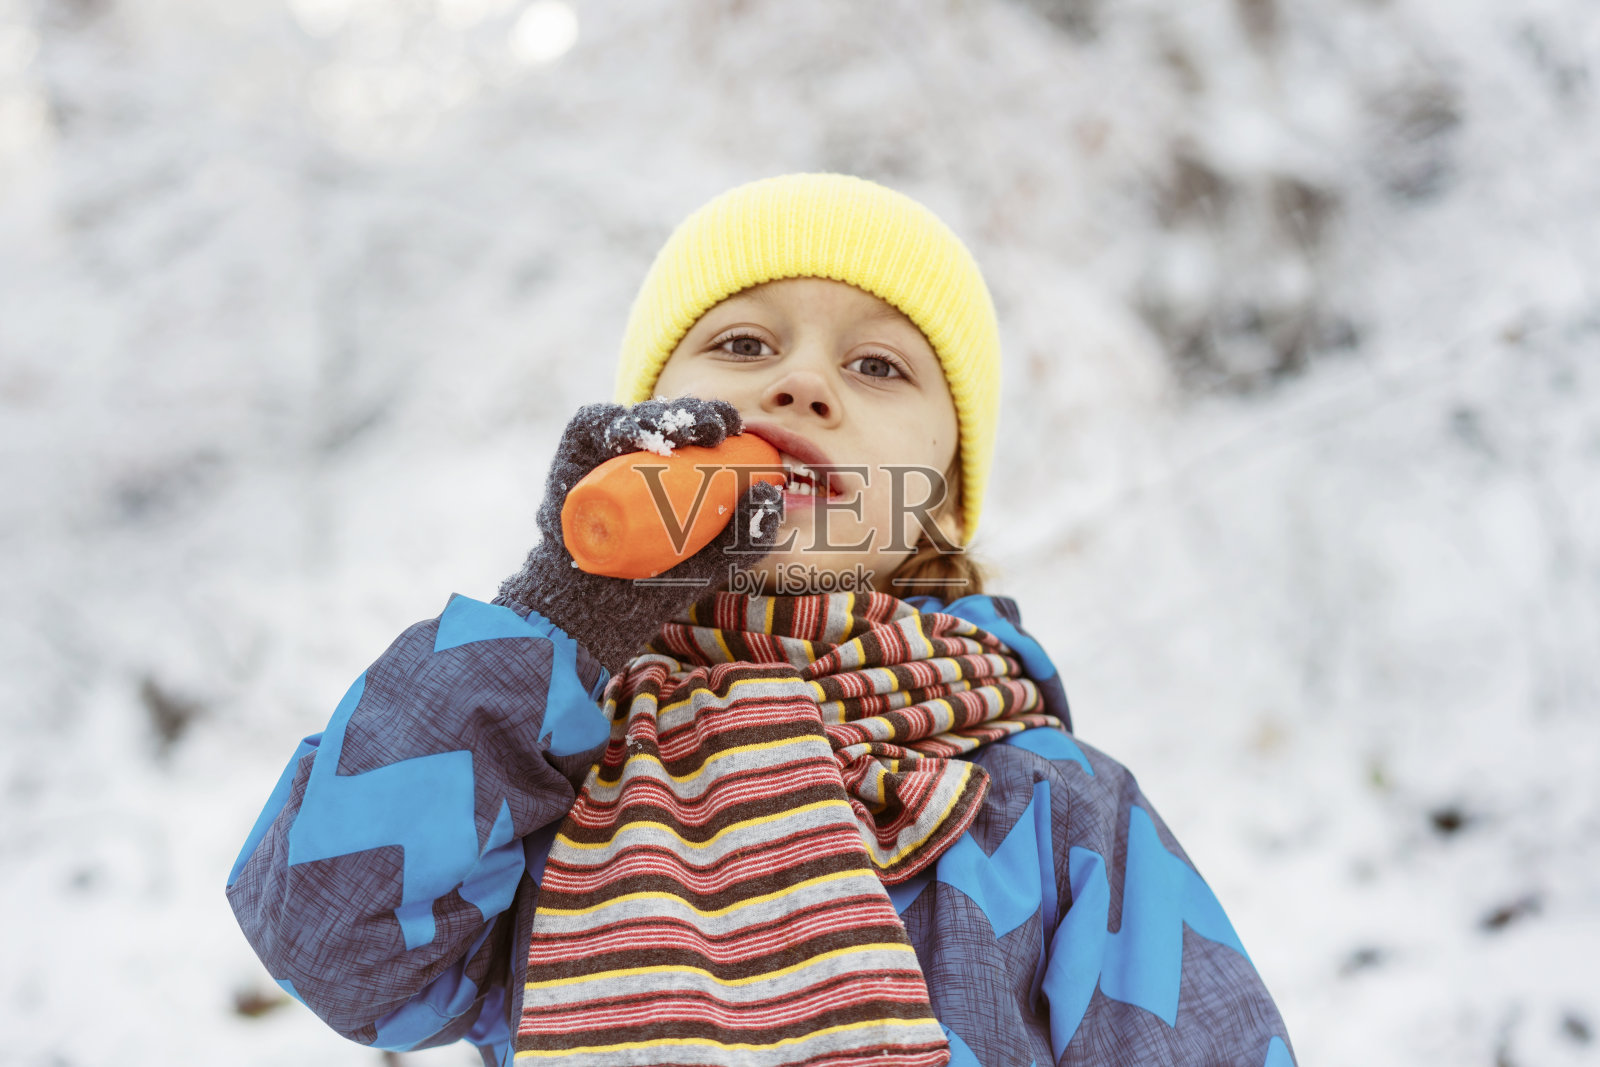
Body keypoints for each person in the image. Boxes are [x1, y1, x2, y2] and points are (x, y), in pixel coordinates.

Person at [226, 173, 1297, 1067]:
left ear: (936, 492)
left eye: (877, 365)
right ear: (651, 423)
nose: (801, 383)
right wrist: (561, 610)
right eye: (741, 345)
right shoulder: (541, 763)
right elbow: (331, 939)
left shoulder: (1054, 811)